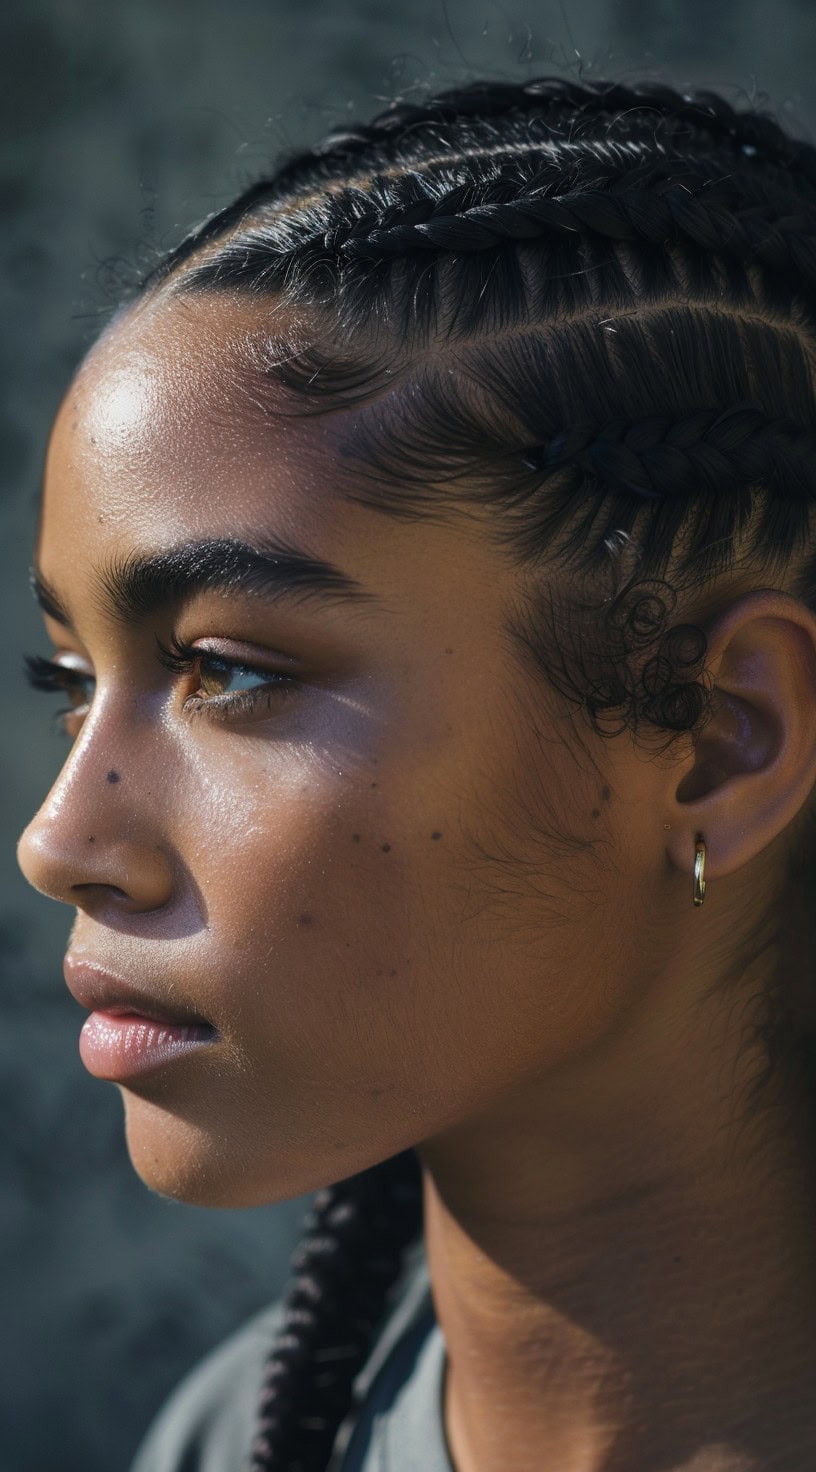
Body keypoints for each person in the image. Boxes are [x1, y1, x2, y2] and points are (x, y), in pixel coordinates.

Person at [16, 72, 816, 1472]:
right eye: (70, 687)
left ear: (720, 736)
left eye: (229, 673)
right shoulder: (232, 1439)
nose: (60, 840)